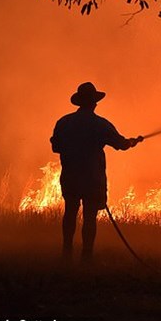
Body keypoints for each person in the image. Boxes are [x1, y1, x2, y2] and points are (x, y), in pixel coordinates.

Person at [50, 82, 143, 262]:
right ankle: (86, 255)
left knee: (70, 212)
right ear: (93, 103)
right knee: (90, 217)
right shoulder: (100, 124)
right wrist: (132, 142)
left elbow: (56, 147)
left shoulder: (63, 122)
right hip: (92, 178)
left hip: (70, 176)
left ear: (79, 102)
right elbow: (121, 144)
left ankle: (66, 252)